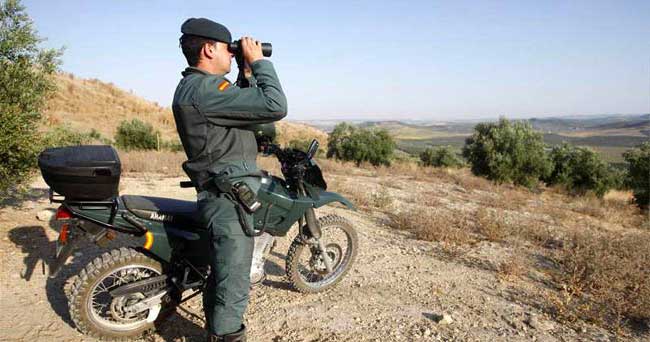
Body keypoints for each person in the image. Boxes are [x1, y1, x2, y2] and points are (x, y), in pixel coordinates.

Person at [171, 18, 287, 342]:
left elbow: (242, 111)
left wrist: (245, 75)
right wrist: (261, 62)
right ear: (208, 49)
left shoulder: (198, 88)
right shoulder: (205, 90)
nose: (234, 55)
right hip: (227, 202)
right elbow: (275, 105)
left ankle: (214, 331)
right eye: (228, 49)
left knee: (222, 277)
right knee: (233, 285)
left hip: (222, 196)